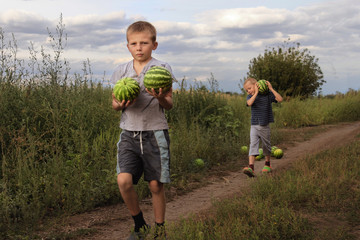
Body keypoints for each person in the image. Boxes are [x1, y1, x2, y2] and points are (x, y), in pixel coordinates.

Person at [111, 21, 175, 240]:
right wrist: (122, 104)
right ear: (128, 46)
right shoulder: (121, 71)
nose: (139, 48)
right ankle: (140, 224)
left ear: (154, 45)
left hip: (154, 133)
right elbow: (114, 104)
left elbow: (169, 104)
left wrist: (158, 95)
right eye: (134, 43)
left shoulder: (162, 69)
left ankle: (159, 229)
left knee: (156, 184)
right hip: (128, 133)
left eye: (144, 43)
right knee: (124, 181)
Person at [242, 78, 283, 177]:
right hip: (254, 125)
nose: (249, 91)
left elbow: (280, 99)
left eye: (249, 88)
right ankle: (251, 167)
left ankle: (267, 164)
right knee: (253, 144)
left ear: (256, 85)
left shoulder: (267, 96)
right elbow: (249, 103)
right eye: (247, 90)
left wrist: (271, 89)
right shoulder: (250, 97)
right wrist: (255, 93)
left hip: (264, 125)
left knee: (266, 145)